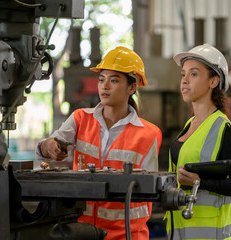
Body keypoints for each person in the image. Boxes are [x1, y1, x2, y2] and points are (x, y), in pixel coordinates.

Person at [35, 46, 162, 240]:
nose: (105, 86)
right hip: (82, 232)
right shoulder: (80, 119)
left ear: (132, 87)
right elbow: (48, 147)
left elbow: (149, 191)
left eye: (114, 80)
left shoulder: (150, 134)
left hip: (127, 235)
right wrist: (48, 146)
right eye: (102, 79)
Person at [165, 43, 231, 240]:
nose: (185, 81)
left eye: (193, 74)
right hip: (181, 230)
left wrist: (199, 182)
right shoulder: (190, 124)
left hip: (212, 233)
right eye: (183, 74)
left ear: (213, 81)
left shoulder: (222, 128)